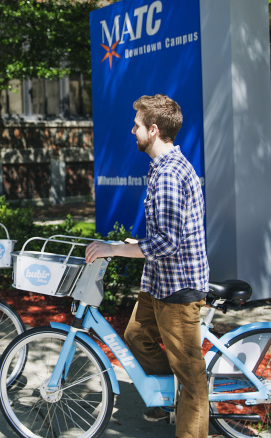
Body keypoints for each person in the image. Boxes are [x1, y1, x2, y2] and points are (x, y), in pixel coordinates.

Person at [85, 94, 209, 438]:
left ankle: (188, 421)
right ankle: (166, 398)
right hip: (159, 283)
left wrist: (112, 249)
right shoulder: (163, 168)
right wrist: (133, 245)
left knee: (192, 379)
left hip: (178, 289)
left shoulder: (169, 174)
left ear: (153, 130)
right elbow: (166, 233)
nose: (132, 130)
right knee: (136, 336)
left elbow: (167, 244)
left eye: (137, 125)